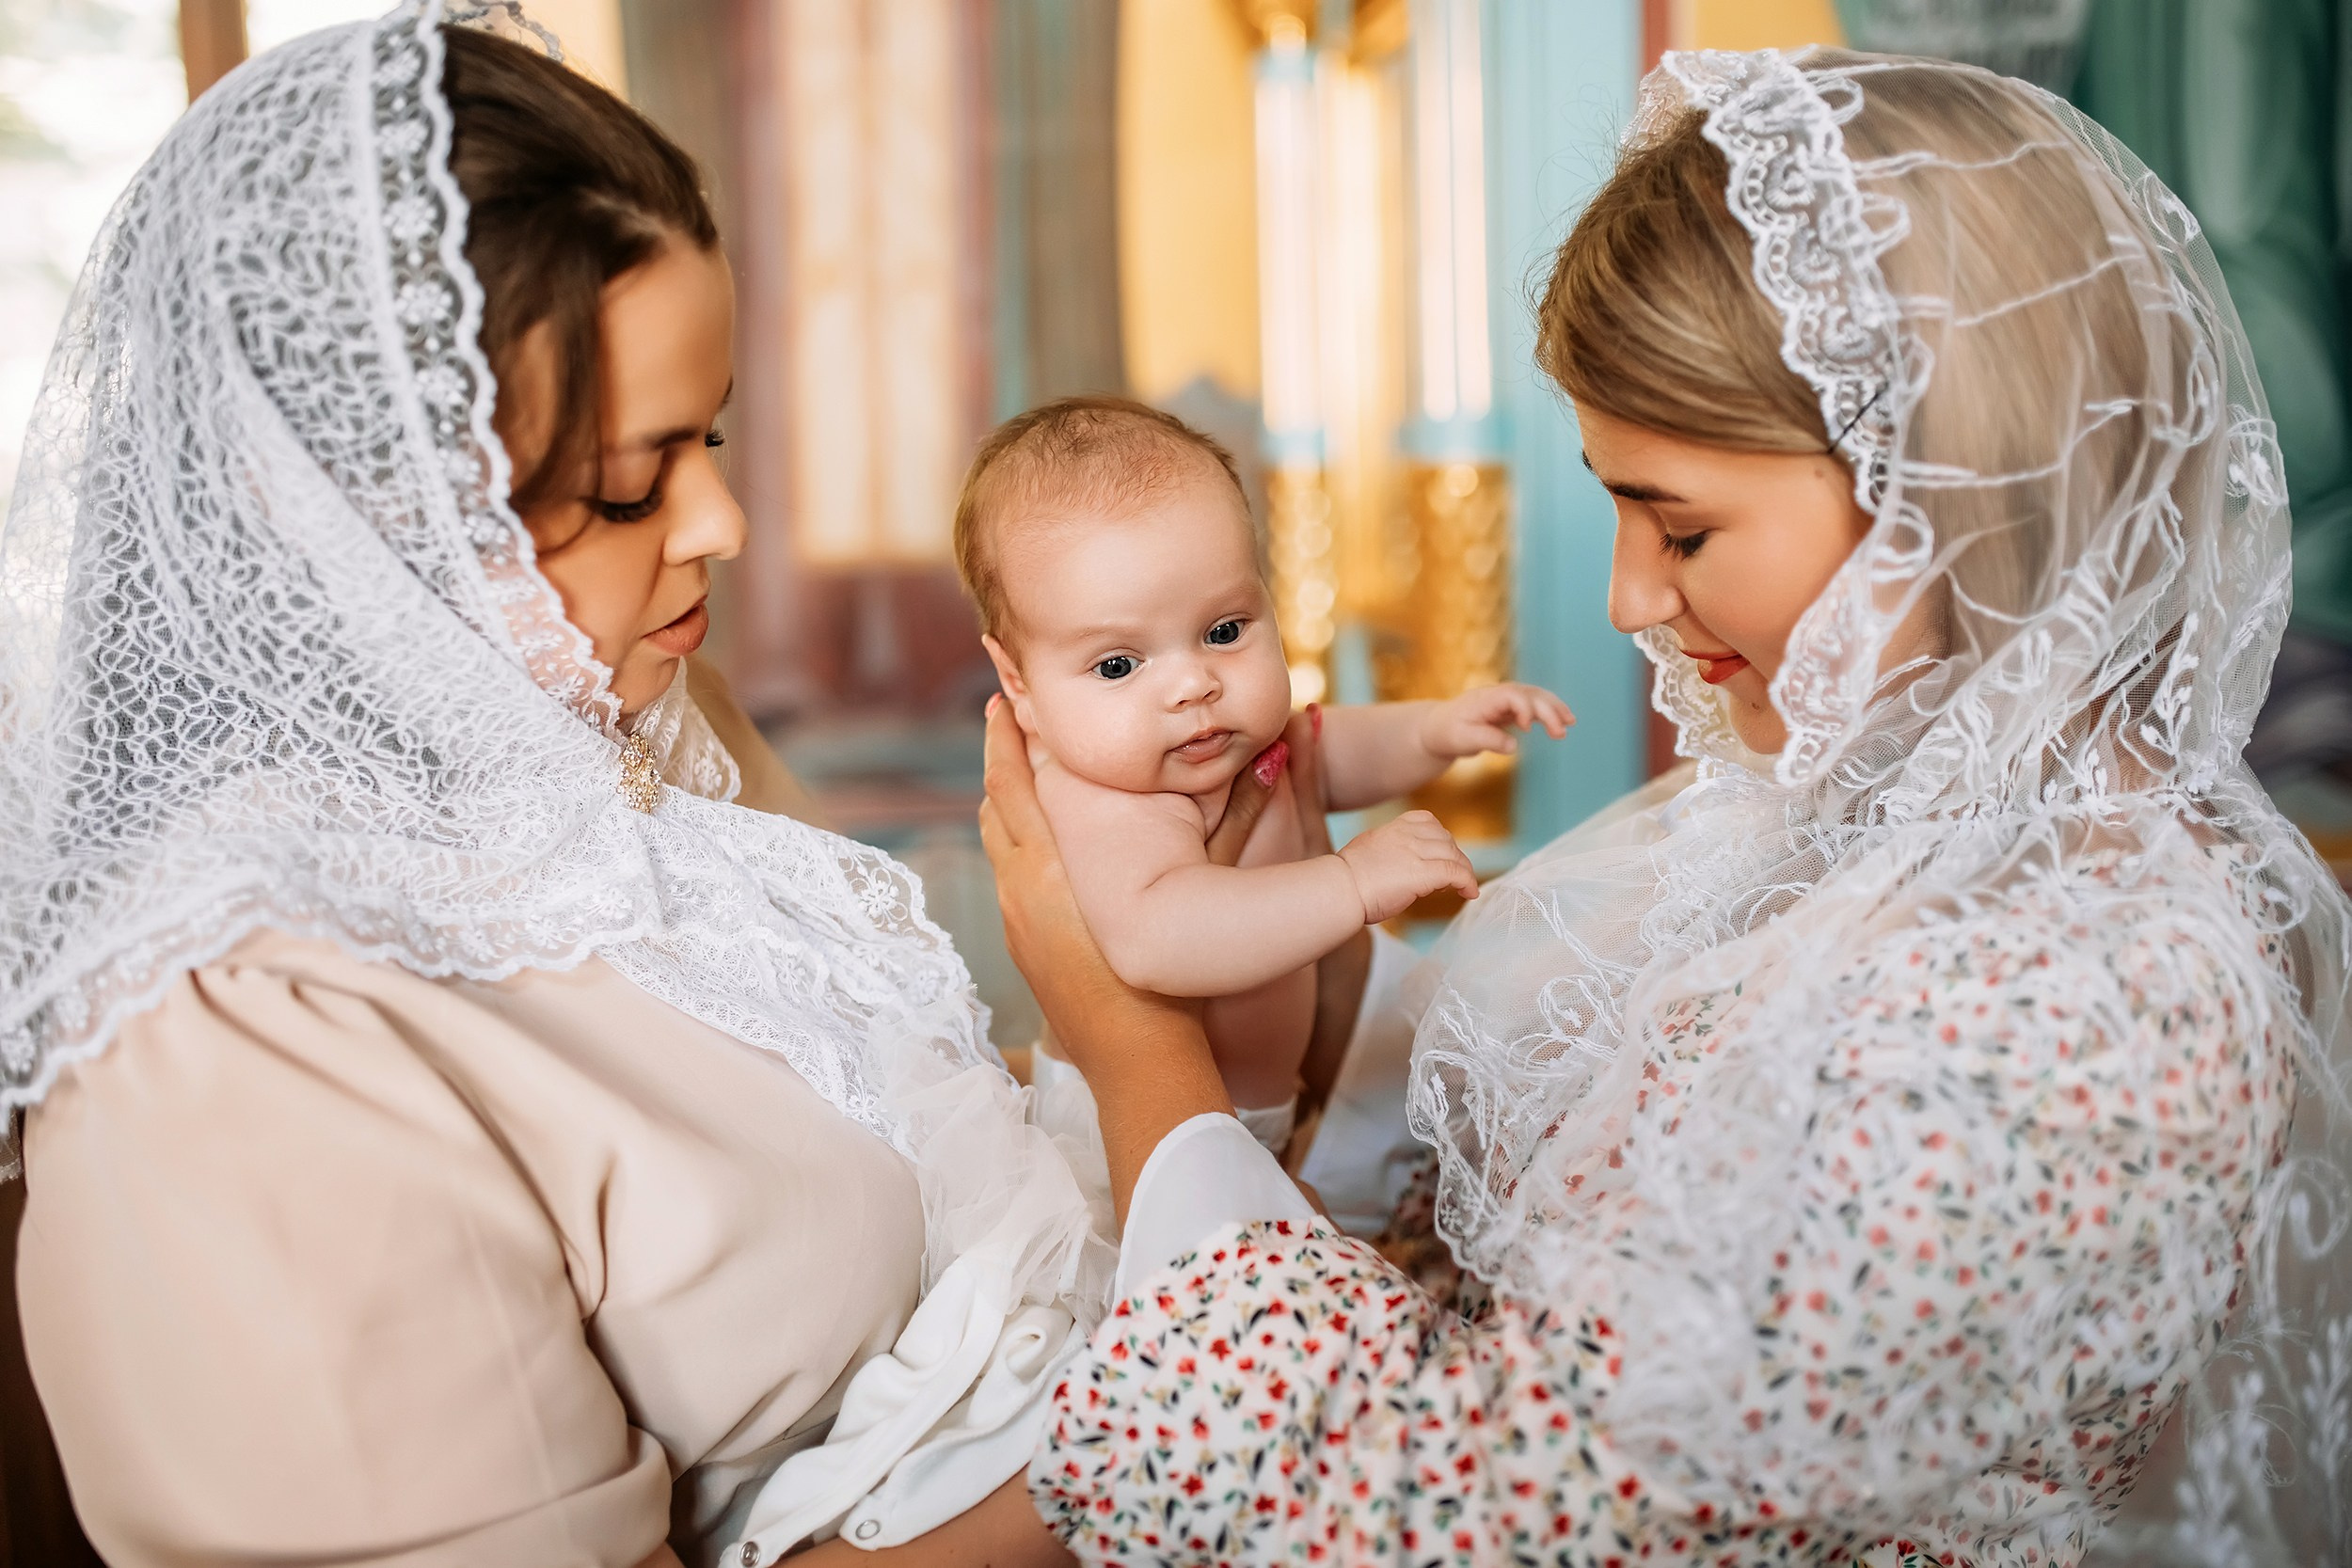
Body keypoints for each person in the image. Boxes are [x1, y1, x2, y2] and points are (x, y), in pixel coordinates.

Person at [983, 48, 2352, 1567]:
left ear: (1942, 486)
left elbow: (1426, 1521)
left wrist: (1137, 1052)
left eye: (1682, 524)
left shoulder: (2053, 1006)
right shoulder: (1872, 833)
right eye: (1617, 505)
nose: (1632, 596)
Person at [0, 8, 1124, 1565]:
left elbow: (925, 1133)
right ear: (343, 508)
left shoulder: (634, 728)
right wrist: (1169, 1439)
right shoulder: (235, 1037)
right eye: (625, 481)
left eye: (712, 435)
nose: (723, 520)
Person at [955, 395, 1566, 1149]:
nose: (1193, 684)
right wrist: (1349, 884)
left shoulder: (1232, 742)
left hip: (1261, 1113)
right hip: (1137, 1129)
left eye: (1223, 630)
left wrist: (1436, 728)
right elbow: (1157, 934)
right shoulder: (1102, 797)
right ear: (1017, 683)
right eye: (1118, 663)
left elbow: (1331, 748)